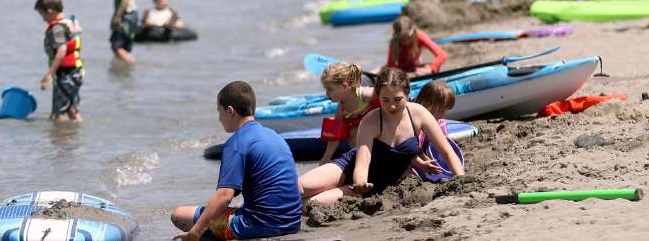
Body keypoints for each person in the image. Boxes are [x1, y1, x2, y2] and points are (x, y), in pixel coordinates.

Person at [299, 68, 462, 204]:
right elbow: (362, 163)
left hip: (376, 185)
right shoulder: (371, 121)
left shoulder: (419, 114)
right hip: (353, 172)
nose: (391, 106)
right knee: (299, 188)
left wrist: (461, 179)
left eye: (397, 99)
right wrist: (360, 182)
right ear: (378, 97)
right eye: (385, 100)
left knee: (309, 205)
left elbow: (447, 152)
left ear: (407, 93)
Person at [170, 81, 302, 241]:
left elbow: (224, 196)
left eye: (219, 112)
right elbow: (297, 188)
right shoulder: (275, 136)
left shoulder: (237, 143)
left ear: (230, 111)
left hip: (259, 226)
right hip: (293, 222)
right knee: (238, 206)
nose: (219, 119)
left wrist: (196, 231)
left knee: (179, 214)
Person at [317, 63, 378, 164]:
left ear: (344, 86)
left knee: (358, 131)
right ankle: (360, 159)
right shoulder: (341, 109)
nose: (327, 94)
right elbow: (335, 136)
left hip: (380, 126)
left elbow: (385, 94)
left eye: (330, 89)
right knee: (353, 132)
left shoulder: (364, 94)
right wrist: (326, 157)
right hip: (363, 133)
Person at [36, 0, 83, 122]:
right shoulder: (68, 23)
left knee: (59, 113)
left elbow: (62, 50)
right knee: (72, 109)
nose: (43, 19)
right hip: (76, 73)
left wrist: (50, 74)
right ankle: (77, 139)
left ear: (50, 11)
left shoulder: (57, 28)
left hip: (65, 75)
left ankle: (60, 140)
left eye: (42, 15)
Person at [411, 80, 463, 182]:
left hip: (419, 155)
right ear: (427, 104)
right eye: (441, 110)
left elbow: (446, 151)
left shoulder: (438, 123)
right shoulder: (412, 120)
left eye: (446, 110)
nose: (443, 114)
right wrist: (420, 162)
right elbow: (406, 149)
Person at [381, 16, 447, 77]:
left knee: (430, 67)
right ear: (396, 36)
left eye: (408, 37)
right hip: (402, 70)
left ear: (413, 31)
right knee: (382, 70)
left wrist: (432, 68)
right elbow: (391, 65)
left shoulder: (419, 35)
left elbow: (442, 55)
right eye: (402, 38)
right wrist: (405, 75)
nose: (405, 41)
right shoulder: (394, 42)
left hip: (414, 66)